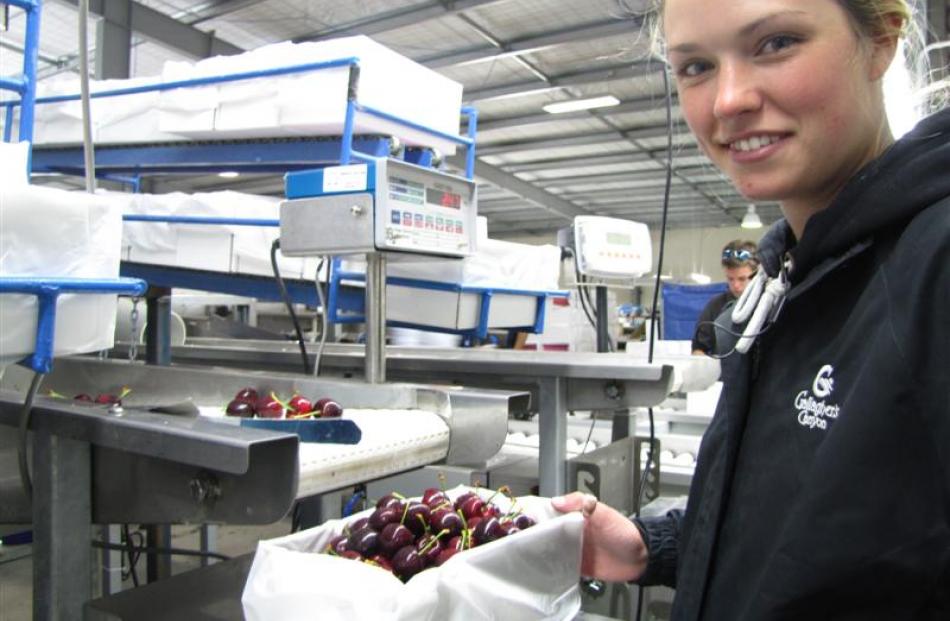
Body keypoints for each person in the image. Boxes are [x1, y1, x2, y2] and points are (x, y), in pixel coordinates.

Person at [553, 0, 949, 618]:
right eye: (696, 67)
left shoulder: (934, 266)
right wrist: (650, 547)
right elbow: (810, 532)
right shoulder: (786, 280)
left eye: (776, 43)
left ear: (881, 37)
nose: (728, 100)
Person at [690, 240, 758, 356]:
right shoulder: (715, 306)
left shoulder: (768, 305)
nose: (736, 286)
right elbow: (699, 349)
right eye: (730, 279)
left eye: (742, 279)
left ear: (757, 274)